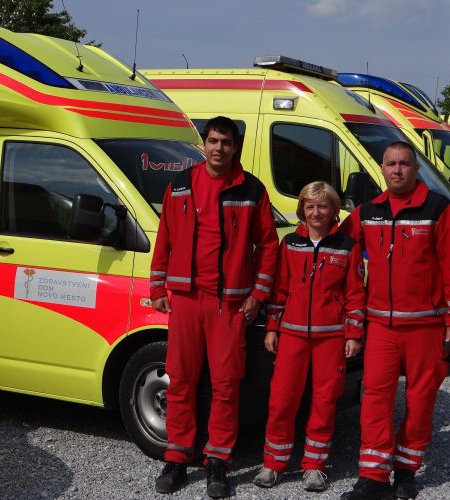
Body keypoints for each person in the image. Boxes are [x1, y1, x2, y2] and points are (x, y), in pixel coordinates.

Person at [149, 116, 279, 498]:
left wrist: (258, 294)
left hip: (229, 304)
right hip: (186, 300)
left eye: (226, 142)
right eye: (213, 140)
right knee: (180, 380)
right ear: (203, 144)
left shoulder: (251, 189)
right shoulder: (179, 185)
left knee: (225, 385)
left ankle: (218, 462)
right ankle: (176, 458)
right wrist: (157, 285)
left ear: (235, 147)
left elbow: (268, 246)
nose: (219, 148)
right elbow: (164, 237)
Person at [340, 141, 450, 500]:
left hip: (426, 326)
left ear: (415, 169)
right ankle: (373, 476)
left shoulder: (438, 209)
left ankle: (406, 470)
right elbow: (338, 245)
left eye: (404, 164)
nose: (397, 170)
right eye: (390, 164)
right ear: (382, 169)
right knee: (375, 398)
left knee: (421, 399)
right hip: (381, 326)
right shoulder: (369, 211)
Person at [252, 181, 365, 492]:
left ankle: (315, 466)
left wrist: (354, 334)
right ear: (302, 209)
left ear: (334, 210)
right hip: (292, 335)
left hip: (331, 337)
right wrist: (272, 328)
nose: (316, 212)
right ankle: (273, 463)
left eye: (323, 206)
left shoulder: (347, 247)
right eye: (310, 206)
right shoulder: (289, 243)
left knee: (325, 401)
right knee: (281, 399)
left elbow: (356, 294)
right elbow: (279, 290)